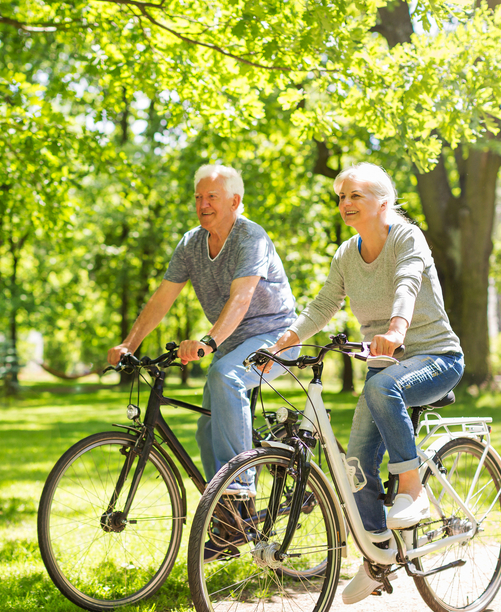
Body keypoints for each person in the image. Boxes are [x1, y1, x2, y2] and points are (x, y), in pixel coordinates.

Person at [263, 162, 464, 604]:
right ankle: (378, 558)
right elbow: (322, 306)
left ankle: (412, 488)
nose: (345, 203)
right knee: (354, 465)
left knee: (380, 387)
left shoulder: (407, 238)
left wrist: (395, 330)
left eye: (355, 195)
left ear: (383, 203)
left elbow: (407, 284)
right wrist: (285, 342)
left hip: (436, 357)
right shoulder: (345, 255)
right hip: (385, 365)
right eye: (341, 197)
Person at [107, 163, 299, 501]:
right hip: (230, 343)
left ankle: (238, 487)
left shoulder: (250, 237)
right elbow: (162, 298)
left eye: (212, 196)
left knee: (225, 375)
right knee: (207, 428)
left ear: (234, 200)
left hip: (275, 337)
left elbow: (242, 299)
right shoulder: (191, 243)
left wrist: (209, 342)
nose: (202, 204)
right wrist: (128, 344)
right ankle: (226, 519)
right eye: (198, 197)